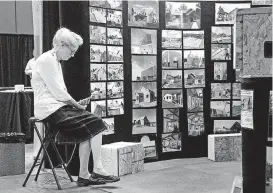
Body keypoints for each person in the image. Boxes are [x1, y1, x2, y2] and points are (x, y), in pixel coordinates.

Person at [31, 27, 120, 187]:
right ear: (62, 45)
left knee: (90, 128)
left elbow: (60, 93)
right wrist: (77, 105)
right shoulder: (47, 60)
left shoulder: (54, 61)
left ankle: (84, 175)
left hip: (56, 107)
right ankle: (97, 168)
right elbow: (59, 93)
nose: (72, 55)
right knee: (96, 123)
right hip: (50, 110)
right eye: (71, 51)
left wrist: (76, 104)